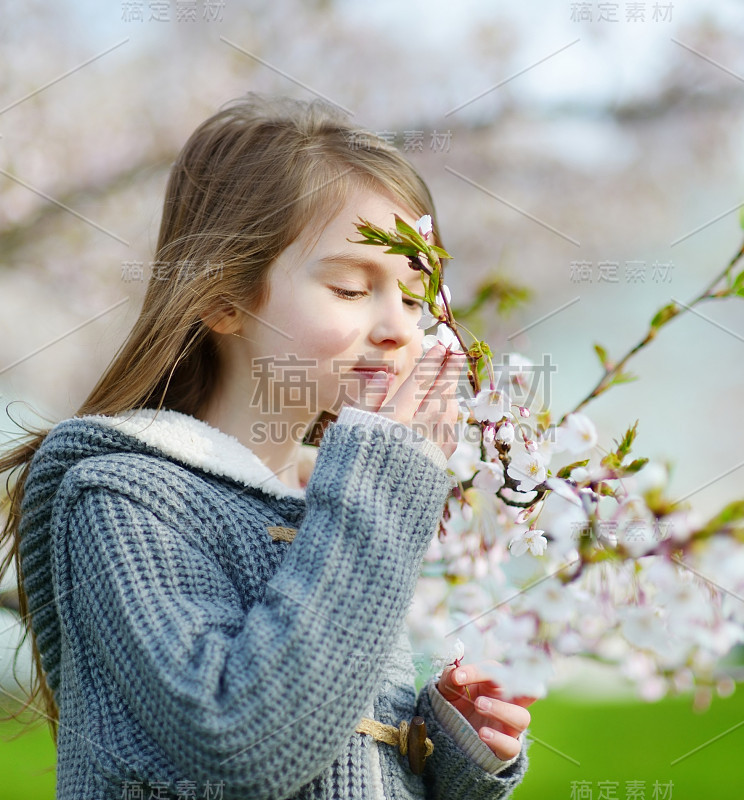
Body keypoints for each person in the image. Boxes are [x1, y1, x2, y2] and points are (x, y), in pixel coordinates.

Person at [0, 94, 532, 799]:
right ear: (222, 298)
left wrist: (445, 747)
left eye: (414, 297)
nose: (400, 329)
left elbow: (343, 765)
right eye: (351, 287)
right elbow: (244, 746)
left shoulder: (335, 496)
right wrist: (377, 488)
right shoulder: (125, 499)